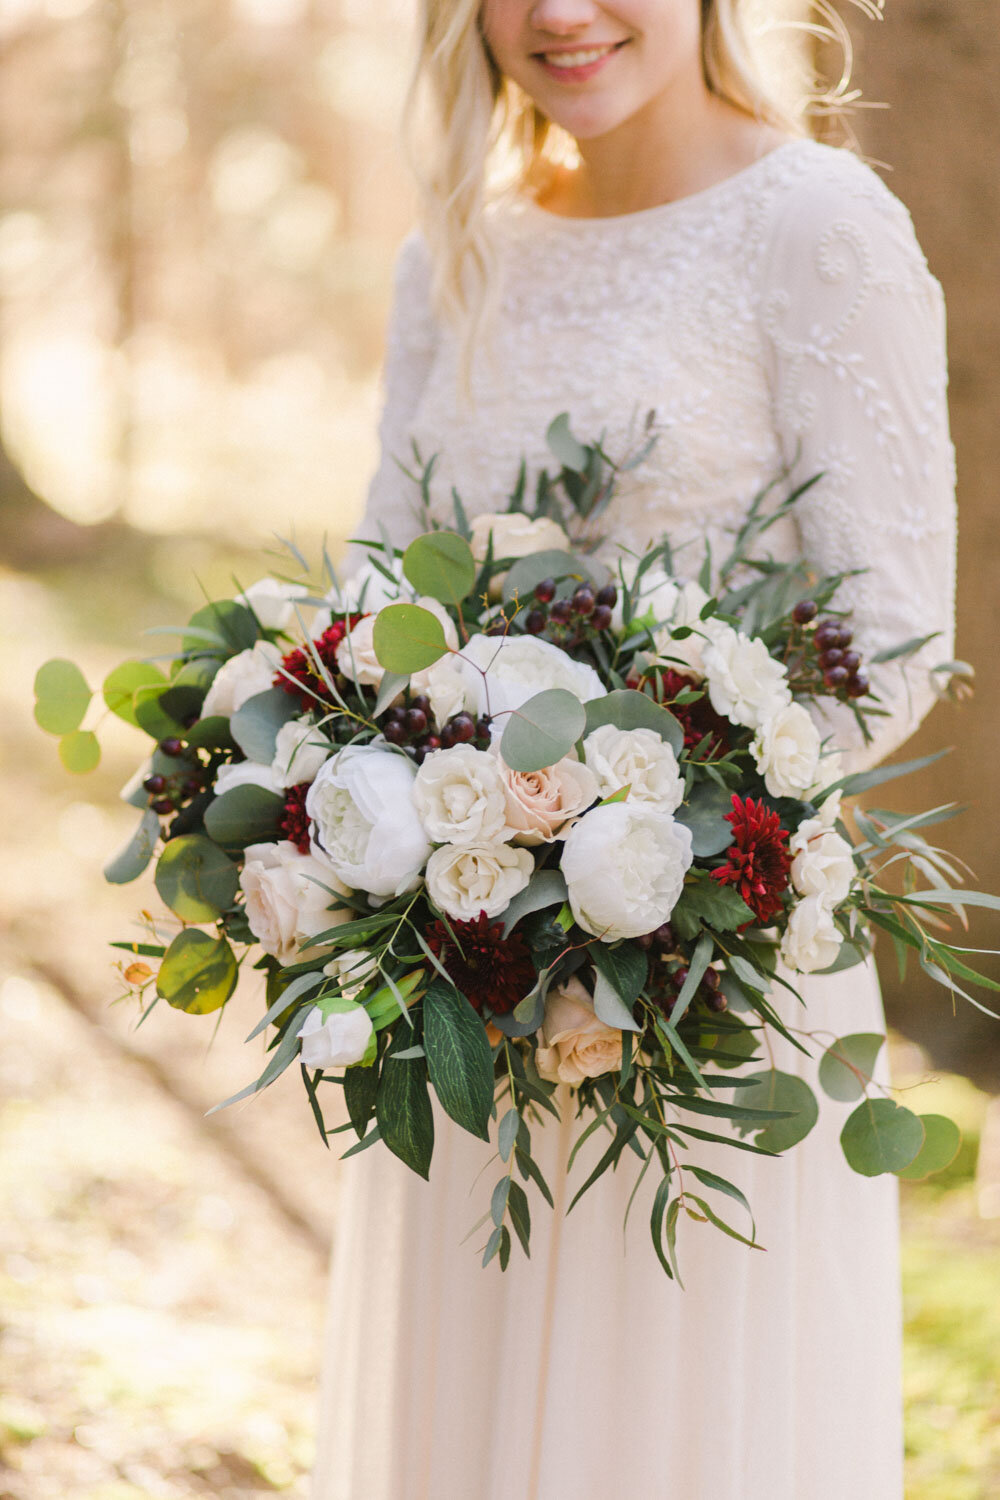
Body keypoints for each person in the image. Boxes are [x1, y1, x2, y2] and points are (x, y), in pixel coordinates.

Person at [310, 2, 957, 1496]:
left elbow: (892, 636)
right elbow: (379, 591)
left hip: (709, 973)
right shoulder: (455, 251)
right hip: (466, 969)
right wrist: (428, 826)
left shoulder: (818, 227)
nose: (558, 13)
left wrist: (642, 829)